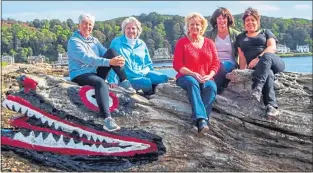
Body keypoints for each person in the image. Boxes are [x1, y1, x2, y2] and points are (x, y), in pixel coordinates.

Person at [67, 13, 136, 132]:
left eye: (90, 25)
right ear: (79, 25)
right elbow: (88, 59)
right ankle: (107, 119)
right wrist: (110, 62)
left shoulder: (94, 40)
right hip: (80, 74)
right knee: (100, 82)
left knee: (112, 51)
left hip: (94, 72)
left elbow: (106, 52)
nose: (87, 27)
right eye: (85, 24)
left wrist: (119, 59)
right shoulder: (74, 41)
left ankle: (124, 81)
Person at [173, 12, 220, 134]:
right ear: (188, 27)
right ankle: (202, 119)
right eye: (192, 24)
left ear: (202, 26)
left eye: (197, 24)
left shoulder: (209, 43)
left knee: (211, 87)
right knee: (192, 82)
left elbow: (216, 63)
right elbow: (177, 65)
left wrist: (209, 75)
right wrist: (193, 74)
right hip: (186, 77)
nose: (194, 27)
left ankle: (198, 122)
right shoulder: (181, 43)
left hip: (206, 77)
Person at [235, 7, 285, 117]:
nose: (250, 22)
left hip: (273, 62)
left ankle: (257, 88)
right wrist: (242, 72)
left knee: (266, 56)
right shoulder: (240, 37)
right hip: (259, 69)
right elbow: (242, 57)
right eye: (247, 20)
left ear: (258, 21)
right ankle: (272, 107)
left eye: (253, 20)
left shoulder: (266, 32)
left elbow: (272, 47)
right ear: (244, 23)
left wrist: (258, 59)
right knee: (269, 74)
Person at [107, 17, 168, 95]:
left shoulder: (141, 44)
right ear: (124, 30)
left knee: (163, 78)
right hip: (129, 77)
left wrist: (154, 74)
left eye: (133, 28)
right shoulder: (117, 42)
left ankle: (152, 88)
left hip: (144, 73)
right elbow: (112, 61)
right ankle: (150, 94)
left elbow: (148, 62)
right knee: (145, 82)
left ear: (137, 30)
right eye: (128, 28)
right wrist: (111, 80)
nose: (131, 31)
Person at [207, 7, 240, 94]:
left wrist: (243, 71)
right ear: (216, 20)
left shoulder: (236, 35)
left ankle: (214, 91)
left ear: (228, 19)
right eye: (219, 18)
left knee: (221, 65)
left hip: (230, 64)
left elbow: (242, 54)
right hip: (213, 64)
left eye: (224, 18)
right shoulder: (209, 34)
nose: (222, 20)